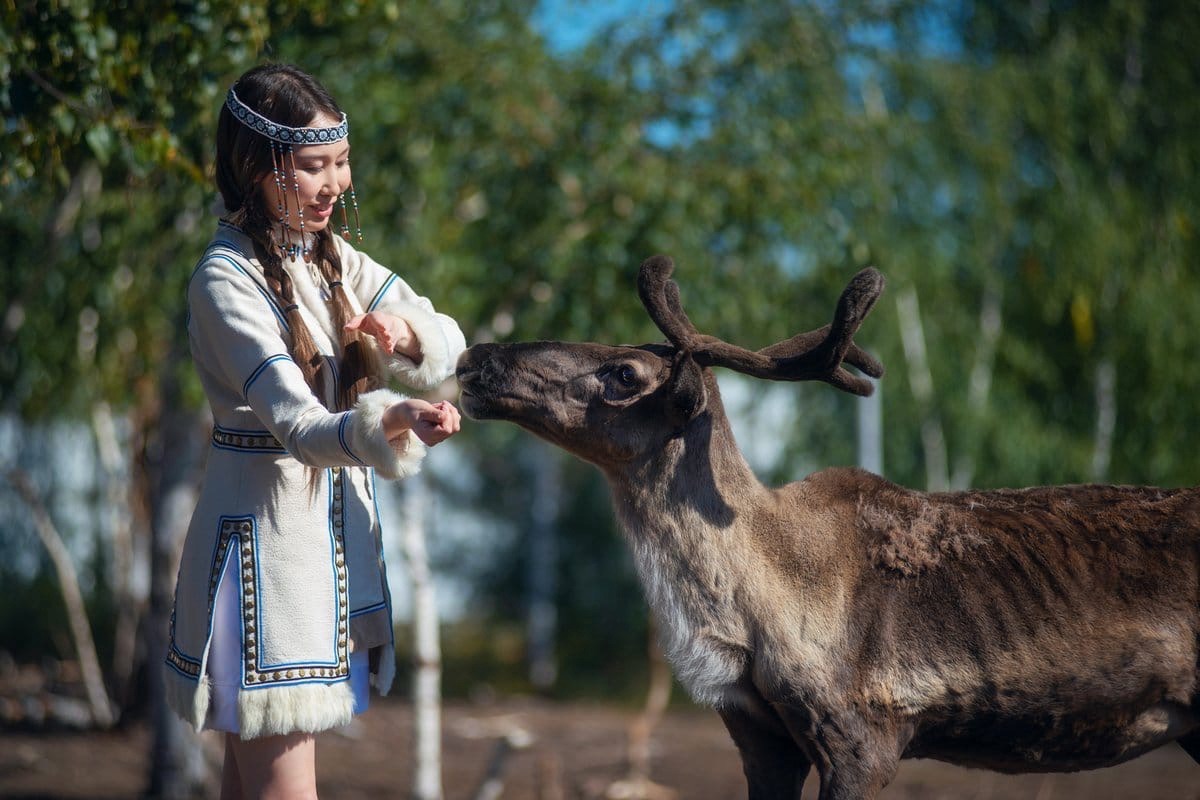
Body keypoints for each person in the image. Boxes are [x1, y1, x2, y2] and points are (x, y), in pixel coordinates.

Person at [163, 63, 465, 798]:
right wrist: (387, 419)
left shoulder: (331, 260)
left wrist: (402, 332)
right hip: (260, 571)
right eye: (312, 166)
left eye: (340, 162)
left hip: (309, 566)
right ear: (255, 167)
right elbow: (298, 426)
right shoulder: (224, 280)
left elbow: (449, 337)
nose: (336, 184)